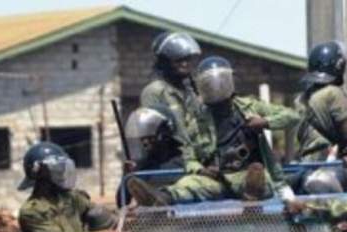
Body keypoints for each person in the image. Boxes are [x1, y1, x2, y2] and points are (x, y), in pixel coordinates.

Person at [127, 56, 300, 205]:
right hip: (216, 180)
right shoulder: (196, 120)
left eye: (220, 82)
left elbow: (292, 116)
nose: (216, 87)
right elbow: (189, 157)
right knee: (189, 184)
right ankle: (161, 198)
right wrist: (201, 170)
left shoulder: (248, 106)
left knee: (262, 180)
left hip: (246, 175)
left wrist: (264, 122)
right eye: (209, 84)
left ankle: (252, 193)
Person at [295, 41, 347, 164]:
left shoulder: (300, 98)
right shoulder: (333, 93)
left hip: (305, 160)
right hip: (328, 159)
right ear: (339, 66)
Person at [140, 31, 203, 132]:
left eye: (187, 59)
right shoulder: (155, 91)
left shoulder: (189, 90)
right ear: (165, 62)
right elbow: (153, 131)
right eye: (179, 60)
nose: (185, 64)